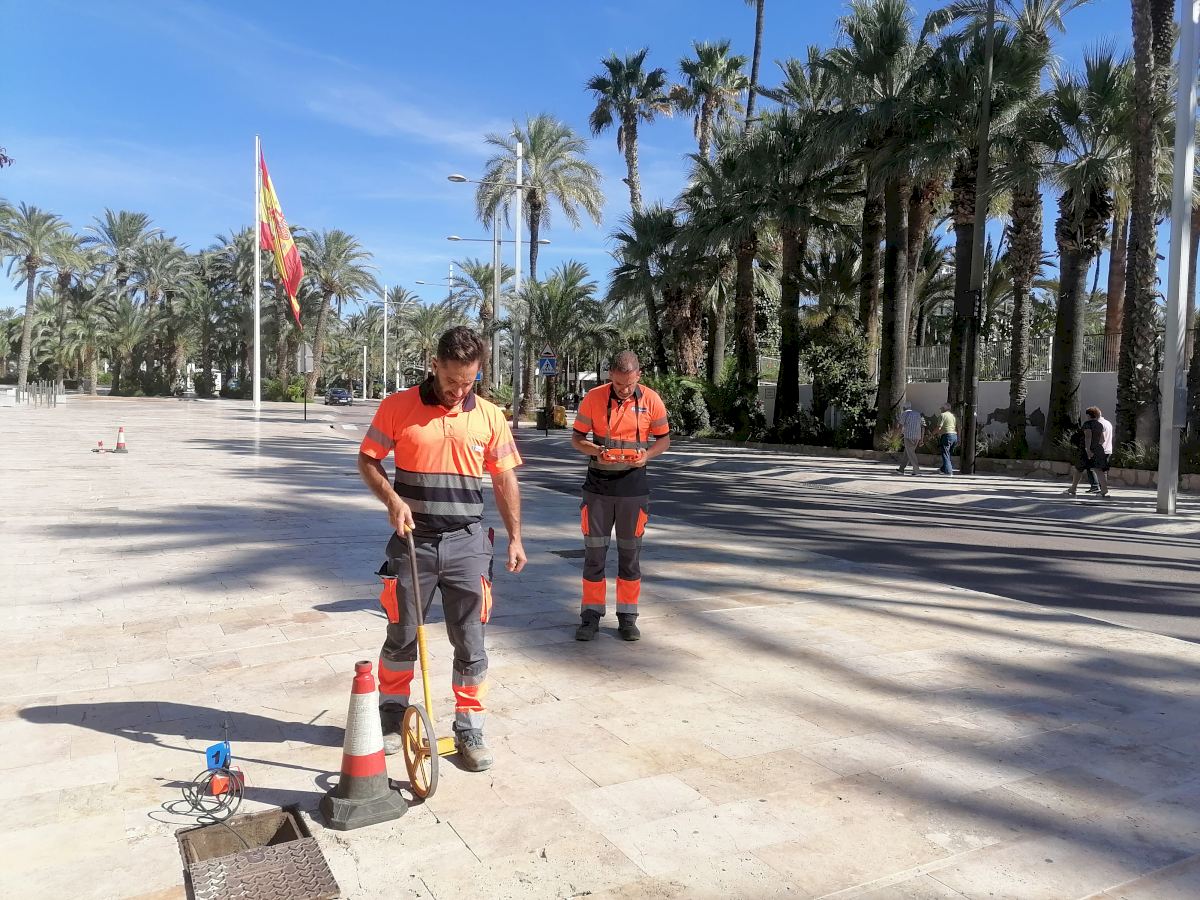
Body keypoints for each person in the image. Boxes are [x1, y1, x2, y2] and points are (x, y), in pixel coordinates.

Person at [357, 326, 526, 773]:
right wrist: (392, 500)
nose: (459, 390)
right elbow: (368, 459)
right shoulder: (398, 406)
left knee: (471, 639)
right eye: (452, 380)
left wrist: (515, 537)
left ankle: (470, 727)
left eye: (469, 381)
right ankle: (392, 716)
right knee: (401, 635)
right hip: (413, 543)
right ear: (434, 366)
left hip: (468, 543)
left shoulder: (489, 416)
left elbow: (504, 478)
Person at [570, 351, 671, 642]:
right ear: (610, 376)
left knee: (630, 555)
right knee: (594, 555)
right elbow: (577, 438)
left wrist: (647, 455)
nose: (624, 390)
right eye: (618, 384)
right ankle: (590, 616)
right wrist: (596, 451)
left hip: (633, 490)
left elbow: (664, 439)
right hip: (598, 489)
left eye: (629, 384)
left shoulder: (651, 399)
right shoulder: (594, 398)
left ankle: (628, 618)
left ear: (639, 375)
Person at [1064, 406, 1111, 498]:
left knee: (1079, 469)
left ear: (1089, 415)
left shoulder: (1087, 424)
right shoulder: (1100, 425)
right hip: (1098, 449)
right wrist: (1096, 445)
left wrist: (1088, 449)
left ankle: (1073, 488)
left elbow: (1088, 437)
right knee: (1099, 470)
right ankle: (1104, 489)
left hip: (1085, 450)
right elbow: (1102, 439)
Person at [896, 402, 924, 476]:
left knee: (911, 453)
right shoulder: (918, 414)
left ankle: (917, 471)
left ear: (904, 408)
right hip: (917, 437)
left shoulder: (905, 413)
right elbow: (923, 427)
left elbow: (900, 426)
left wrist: (897, 436)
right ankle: (901, 469)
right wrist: (921, 439)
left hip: (909, 436)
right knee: (907, 452)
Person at [936, 403, 958, 475]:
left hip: (946, 436)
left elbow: (939, 427)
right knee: (948, 454)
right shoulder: (954, 416)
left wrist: (932, 434)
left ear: (944, 409)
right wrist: (959, 438)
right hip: (954, 436)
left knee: (945, 454)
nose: (941, 410)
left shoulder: (942, 415)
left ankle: (949, 472)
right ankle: (943, 469)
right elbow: (958, 427)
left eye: (941, 408)